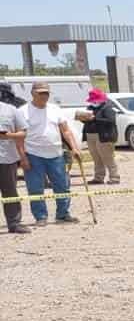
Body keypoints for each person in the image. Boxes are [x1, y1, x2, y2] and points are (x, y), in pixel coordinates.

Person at [22, 82, 83, 226]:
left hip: (56, 154)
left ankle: (63, 214)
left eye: (47, 93)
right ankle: (40, 217)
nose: (45, 96)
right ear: (33, 93)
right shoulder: (23, 111)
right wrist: (22, 157)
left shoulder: (55, 109)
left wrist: (74, 147)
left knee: (62, 185)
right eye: (41, 93)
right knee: (35, 187)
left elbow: (66, 130)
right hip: (33, 153)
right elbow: (19, 136)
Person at [0, 82, 30, 234]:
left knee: (10, 192)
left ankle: (14, 223)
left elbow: (23, 133)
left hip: (7, 159)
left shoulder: (11, 110)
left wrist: (6, 136)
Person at [77, 87, 121, 185]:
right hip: (90, 135)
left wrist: (94, 119)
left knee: (107, 157)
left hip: (103, 136)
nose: (94, 102)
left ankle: (114, 177)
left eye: (95, 100)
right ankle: (98, 177)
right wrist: (83, 118)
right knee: (96, 158)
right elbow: (88, 121)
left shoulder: (108, 107)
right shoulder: (90, 108)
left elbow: (110, 121)